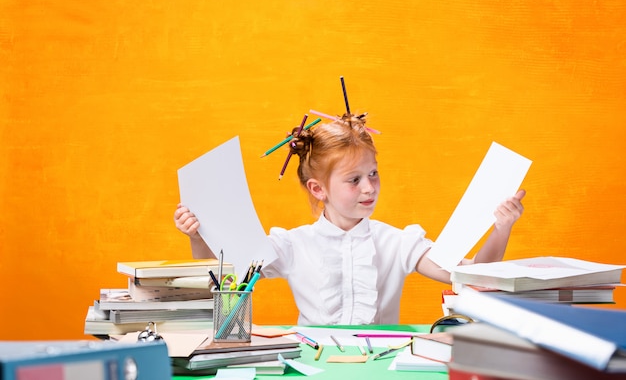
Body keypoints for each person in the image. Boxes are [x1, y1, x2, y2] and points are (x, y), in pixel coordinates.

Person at [174, 113, 526, 325]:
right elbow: (222, 278)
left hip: (383, 366)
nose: (368, 187)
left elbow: (472, 276)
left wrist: (501, 227)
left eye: (373, 174)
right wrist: (197, 236)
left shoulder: (397, 243)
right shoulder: (292, 245)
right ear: (318, 188)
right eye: (353, 179)